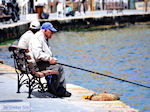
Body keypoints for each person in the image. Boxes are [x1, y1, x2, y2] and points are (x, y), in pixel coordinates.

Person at [29, 22, 71, 97]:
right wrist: (49, 59)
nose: (52, 33)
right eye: (51, 31)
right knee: (59, 68)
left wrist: (51, 59)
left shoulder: (42, 37)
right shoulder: (38, 38)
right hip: (37, 65)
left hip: (38, 63)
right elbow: (37, 54)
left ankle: (53, 88)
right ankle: (60, 90)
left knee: (56, 66)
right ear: (45, 30)